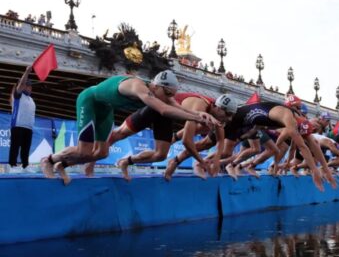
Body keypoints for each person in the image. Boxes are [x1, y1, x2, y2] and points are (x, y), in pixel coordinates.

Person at [41, 70, 217, 185]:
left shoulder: (161, 92)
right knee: (84, 151)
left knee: (101, 153)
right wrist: (194, 116)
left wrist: (201, 115)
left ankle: (62, 165)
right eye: (167, 93)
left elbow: (176, 106)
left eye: (172, 95)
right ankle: (48, 160)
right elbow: (163, 110)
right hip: (89, 102)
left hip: (106, 109)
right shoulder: (138, 86)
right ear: (156, 86)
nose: (169, 97)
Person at [8, 66, 36, 169]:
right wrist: (27, 71)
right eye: (28, 86)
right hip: (18, 126)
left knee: (26, 149)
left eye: (31, 86)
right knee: (15, 147)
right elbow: (22, 82)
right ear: (23, 87)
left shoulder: (31, 100)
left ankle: (25, 165)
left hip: (28, 128)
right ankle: (12, 164)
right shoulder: (18, 95)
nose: (30, 88)